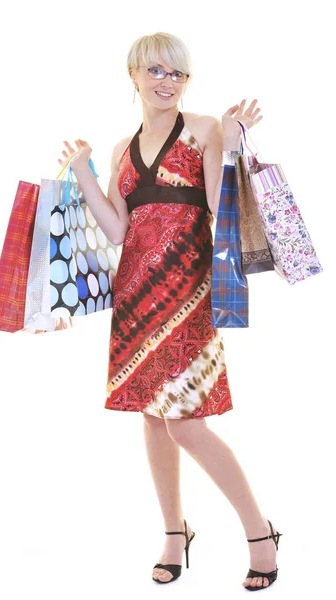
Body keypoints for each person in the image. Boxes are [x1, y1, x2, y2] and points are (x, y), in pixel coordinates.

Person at [57, 32, 283, 591]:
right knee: (154, 416)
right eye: (156, 71)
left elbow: (213, 206)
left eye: (177, 74)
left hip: (188, 291)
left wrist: (230, 145)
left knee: (184, 421)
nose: (166, 82)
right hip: (136, 295)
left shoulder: (204, 128)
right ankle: (174, 533)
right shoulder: (121, 149)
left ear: (187, 81)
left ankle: (259, 532)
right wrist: (84, 170)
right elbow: (118, 228)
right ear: (133, 75)